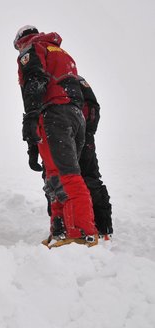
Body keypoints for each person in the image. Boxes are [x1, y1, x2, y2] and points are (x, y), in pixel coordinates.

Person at [13, 25, 98, 247]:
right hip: (73, 116)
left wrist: (31, 117)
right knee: (55, 175)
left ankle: (81, 231)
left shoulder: (32, 49)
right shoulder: (62, 53)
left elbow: (34, 81)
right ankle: (60, 229)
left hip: (53, 114)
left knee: (66, 174)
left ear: (21, 41)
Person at [28, 76, 114, 240]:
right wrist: (33, 147)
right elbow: (36, 114)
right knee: (52, 180)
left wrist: (87, 134)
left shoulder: (72, 79)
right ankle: (63, 227)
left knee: (87, 178)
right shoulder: (44, 82)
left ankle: (102, 227)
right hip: (53, 136)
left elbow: (92, 107)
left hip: (76, 136)